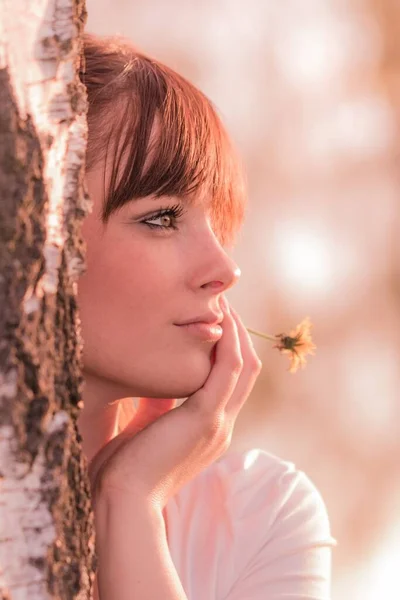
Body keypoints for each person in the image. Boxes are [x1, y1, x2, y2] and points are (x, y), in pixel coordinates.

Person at [76, 31, 336, 600]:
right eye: (162, 217)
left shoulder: (259, 516)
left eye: (218, 224)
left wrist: (129, 498)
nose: (224, 267)